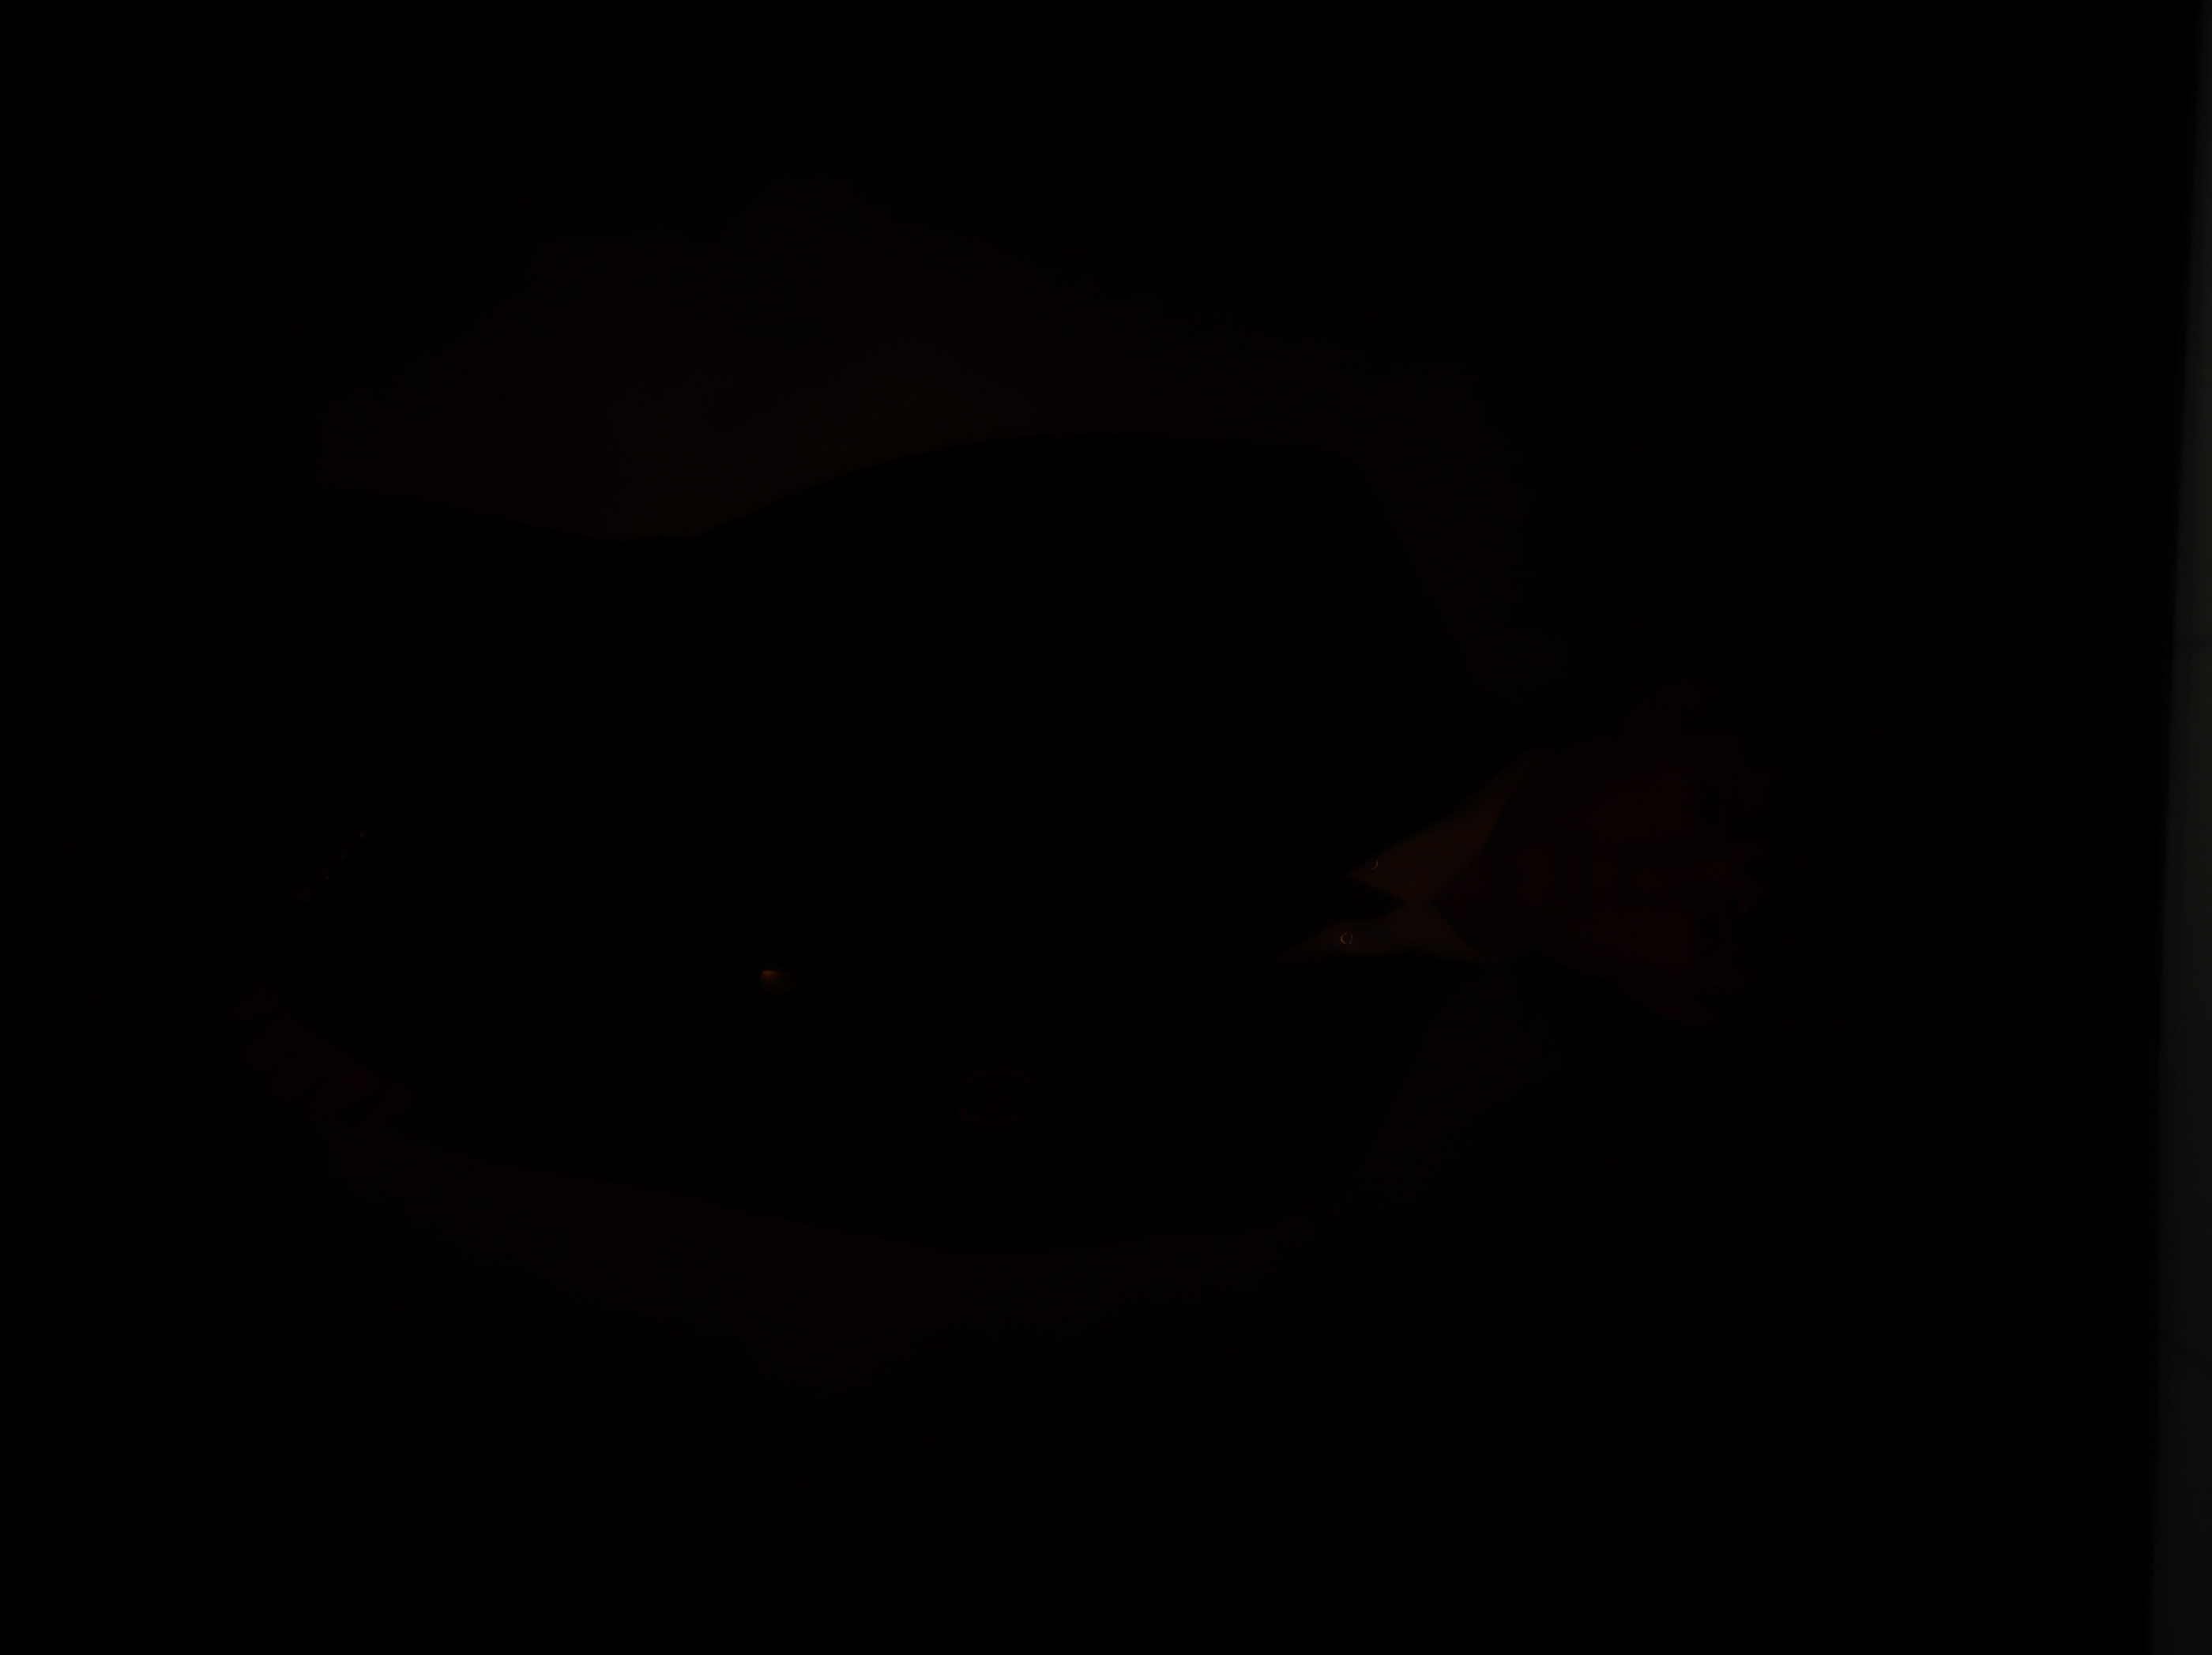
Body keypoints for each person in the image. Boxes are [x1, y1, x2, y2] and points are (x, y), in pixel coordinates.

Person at [116, 434, 1969, 1262]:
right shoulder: (1284, 557)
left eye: (1715, 928)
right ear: (1674, 712)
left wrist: (418, 1070)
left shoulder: (1271, 1137)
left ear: (1679, 1003)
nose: (1656, 881)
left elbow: (750, 1135)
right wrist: (371, 927)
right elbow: (723, 637)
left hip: (275, 1019)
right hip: (286, 680)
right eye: (1715, 816)